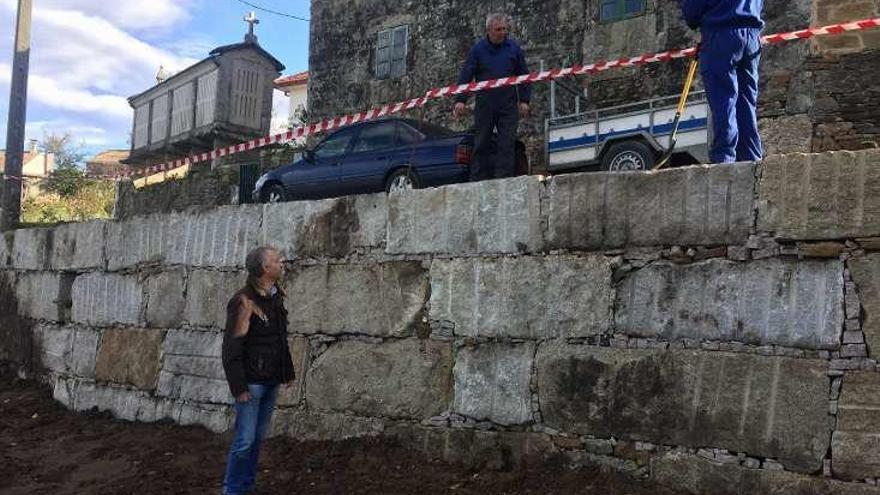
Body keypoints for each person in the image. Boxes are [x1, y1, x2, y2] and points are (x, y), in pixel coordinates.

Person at [221, 246, 294, 495]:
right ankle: (232, 490)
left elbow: (277, 340)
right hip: (251, 384)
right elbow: (232, 347)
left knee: (256, 440)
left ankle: (247, 486)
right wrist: (239, 387)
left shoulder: (275, 297)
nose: (281, 262)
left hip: (270, 379)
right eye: (276, 260)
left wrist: (286, 373)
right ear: (265, 268)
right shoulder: (244, 301)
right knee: (244, 441)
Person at [681, 0, 765, 164]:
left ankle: (724, 158)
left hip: (721, 35)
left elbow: (692, 14)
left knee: (723, 100)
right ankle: (751, 158)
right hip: (752, 36)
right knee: (746, 101)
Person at [453, 13, 531, 181]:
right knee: (481, 143)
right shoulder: (478, 50)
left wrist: (524, 100)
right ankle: (477, 179)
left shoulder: (514, 49)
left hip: (508, 105)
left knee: (507, 143)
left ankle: (504, 179)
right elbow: (466, 75)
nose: (502, 32)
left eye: (504, 29)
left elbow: (524, 76)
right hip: (485, 104)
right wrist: (460, 100)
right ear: (488, 30)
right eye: (498, 29)